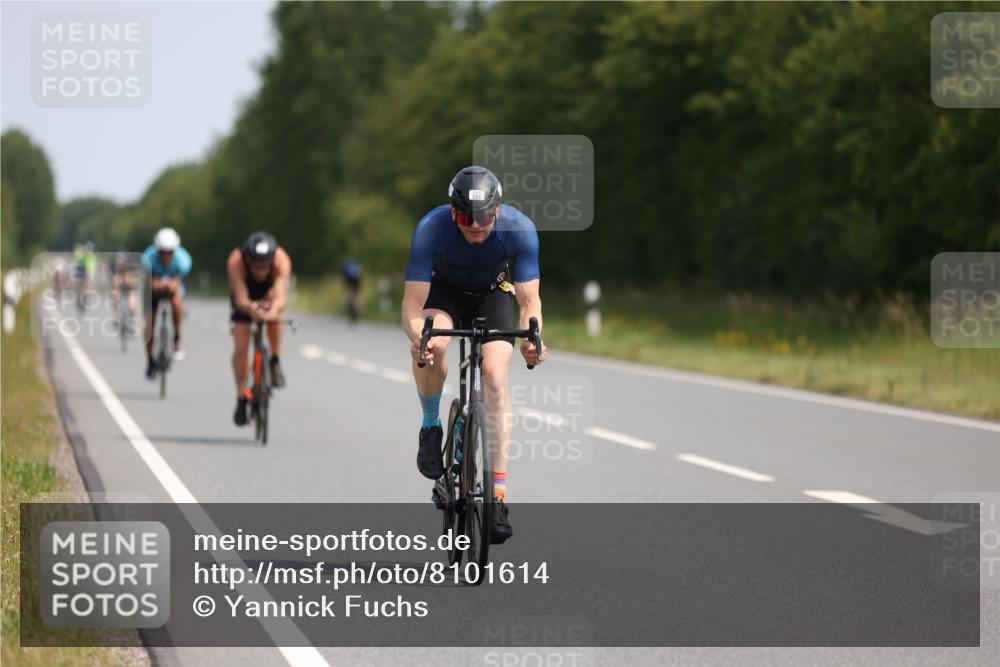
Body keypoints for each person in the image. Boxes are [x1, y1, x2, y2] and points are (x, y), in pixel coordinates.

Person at [401, 165, 546, 544]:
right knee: (434, 345)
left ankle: (498, 495)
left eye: (484, 218)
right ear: (453, 213)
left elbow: (529, 302)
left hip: (493, 296)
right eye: (467, 219)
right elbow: (412, 306)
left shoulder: (520, 229)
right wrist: (419, 337)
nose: (476, 227)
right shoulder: (431, 228)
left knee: (495, 375)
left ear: (498, 211)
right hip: (444, 296)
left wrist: (533, 339)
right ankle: (431, 426)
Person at [226, 231, 292, 426]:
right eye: (256, 265)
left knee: (276, 318)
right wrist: (251, 308)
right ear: (248, 259)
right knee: (241, 347)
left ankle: (275, 360)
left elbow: (281, 297)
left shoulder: (281, 260)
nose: (260, 271)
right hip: (245, 297)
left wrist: (272, 311)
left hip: (268, 295)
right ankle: (241, 396)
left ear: (272, 261)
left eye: (265, 266)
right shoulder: (236, 261)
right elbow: (240, 298)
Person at [142, 228, 192, 378]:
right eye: (163, 252)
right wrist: (157, 285)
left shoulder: (183, 260)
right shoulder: (148, 259)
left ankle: (176, 337)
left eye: (170, 252)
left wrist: (171, 286)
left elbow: (178, 282)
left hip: (174, 285)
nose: (166, 255)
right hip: (154, 286)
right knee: (150, 323)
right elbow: (150, 282)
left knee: (176, 304)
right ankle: (150, 360)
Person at [111, 249, 140, 329]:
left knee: (132, 304)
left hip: (130, 289)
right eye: (118, 261)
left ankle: (132, 321)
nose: (119, 263)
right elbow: (115, 283)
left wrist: (130, 280)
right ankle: (116, 314)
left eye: (121, 261)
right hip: (120, 289)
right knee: (115, 294)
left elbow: (134, 281)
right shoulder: (115, 269)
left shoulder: (131, 267)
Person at [342, 258, 362, 323]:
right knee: (357, 296)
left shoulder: (347, 266)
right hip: (356, 282)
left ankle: (348, 308)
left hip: (349, 281)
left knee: (348, 296)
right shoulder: (357, 267)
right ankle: (357, 311)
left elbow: (344, 277)